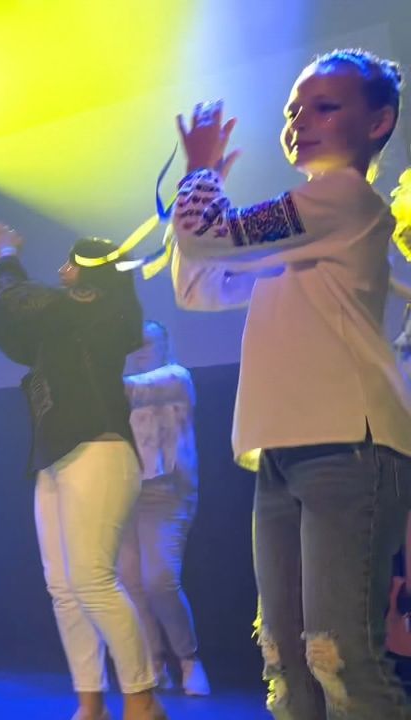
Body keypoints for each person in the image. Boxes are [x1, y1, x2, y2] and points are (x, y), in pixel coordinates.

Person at [170, 49, 411, 717]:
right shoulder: (299, 229)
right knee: (286, 659)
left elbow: (214, 235)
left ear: (379, 122)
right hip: (283, 449)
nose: (302, 118)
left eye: (326, 106)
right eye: (295, 109)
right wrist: (201, 194)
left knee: (341, 657)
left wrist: (201, 176)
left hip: (348, 446)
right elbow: (201, 281)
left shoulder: (342, 197)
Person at [0, 223, 164, 720]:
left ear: (91, 273)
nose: (62, 270)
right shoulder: (60, 321)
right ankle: (90, 702)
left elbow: (19, 297)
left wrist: (6, 253)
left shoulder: (101, 311)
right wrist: (6, 273)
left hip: (99, 449)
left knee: (91, 579)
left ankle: (143, 700)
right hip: (54, 457)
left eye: (73, 262)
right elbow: (11, 314)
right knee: (63, 586)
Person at [119, 321, 208, 696]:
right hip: (125, 498)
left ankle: (189, 658)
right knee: (132, 585)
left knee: (160, 581)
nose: (140, 349)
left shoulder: (176, 377)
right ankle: (154, 663)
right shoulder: (121, 389)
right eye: (133, 344)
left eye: (147, 343)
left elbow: (134, 389)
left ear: (163, 345)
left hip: (168, 494)